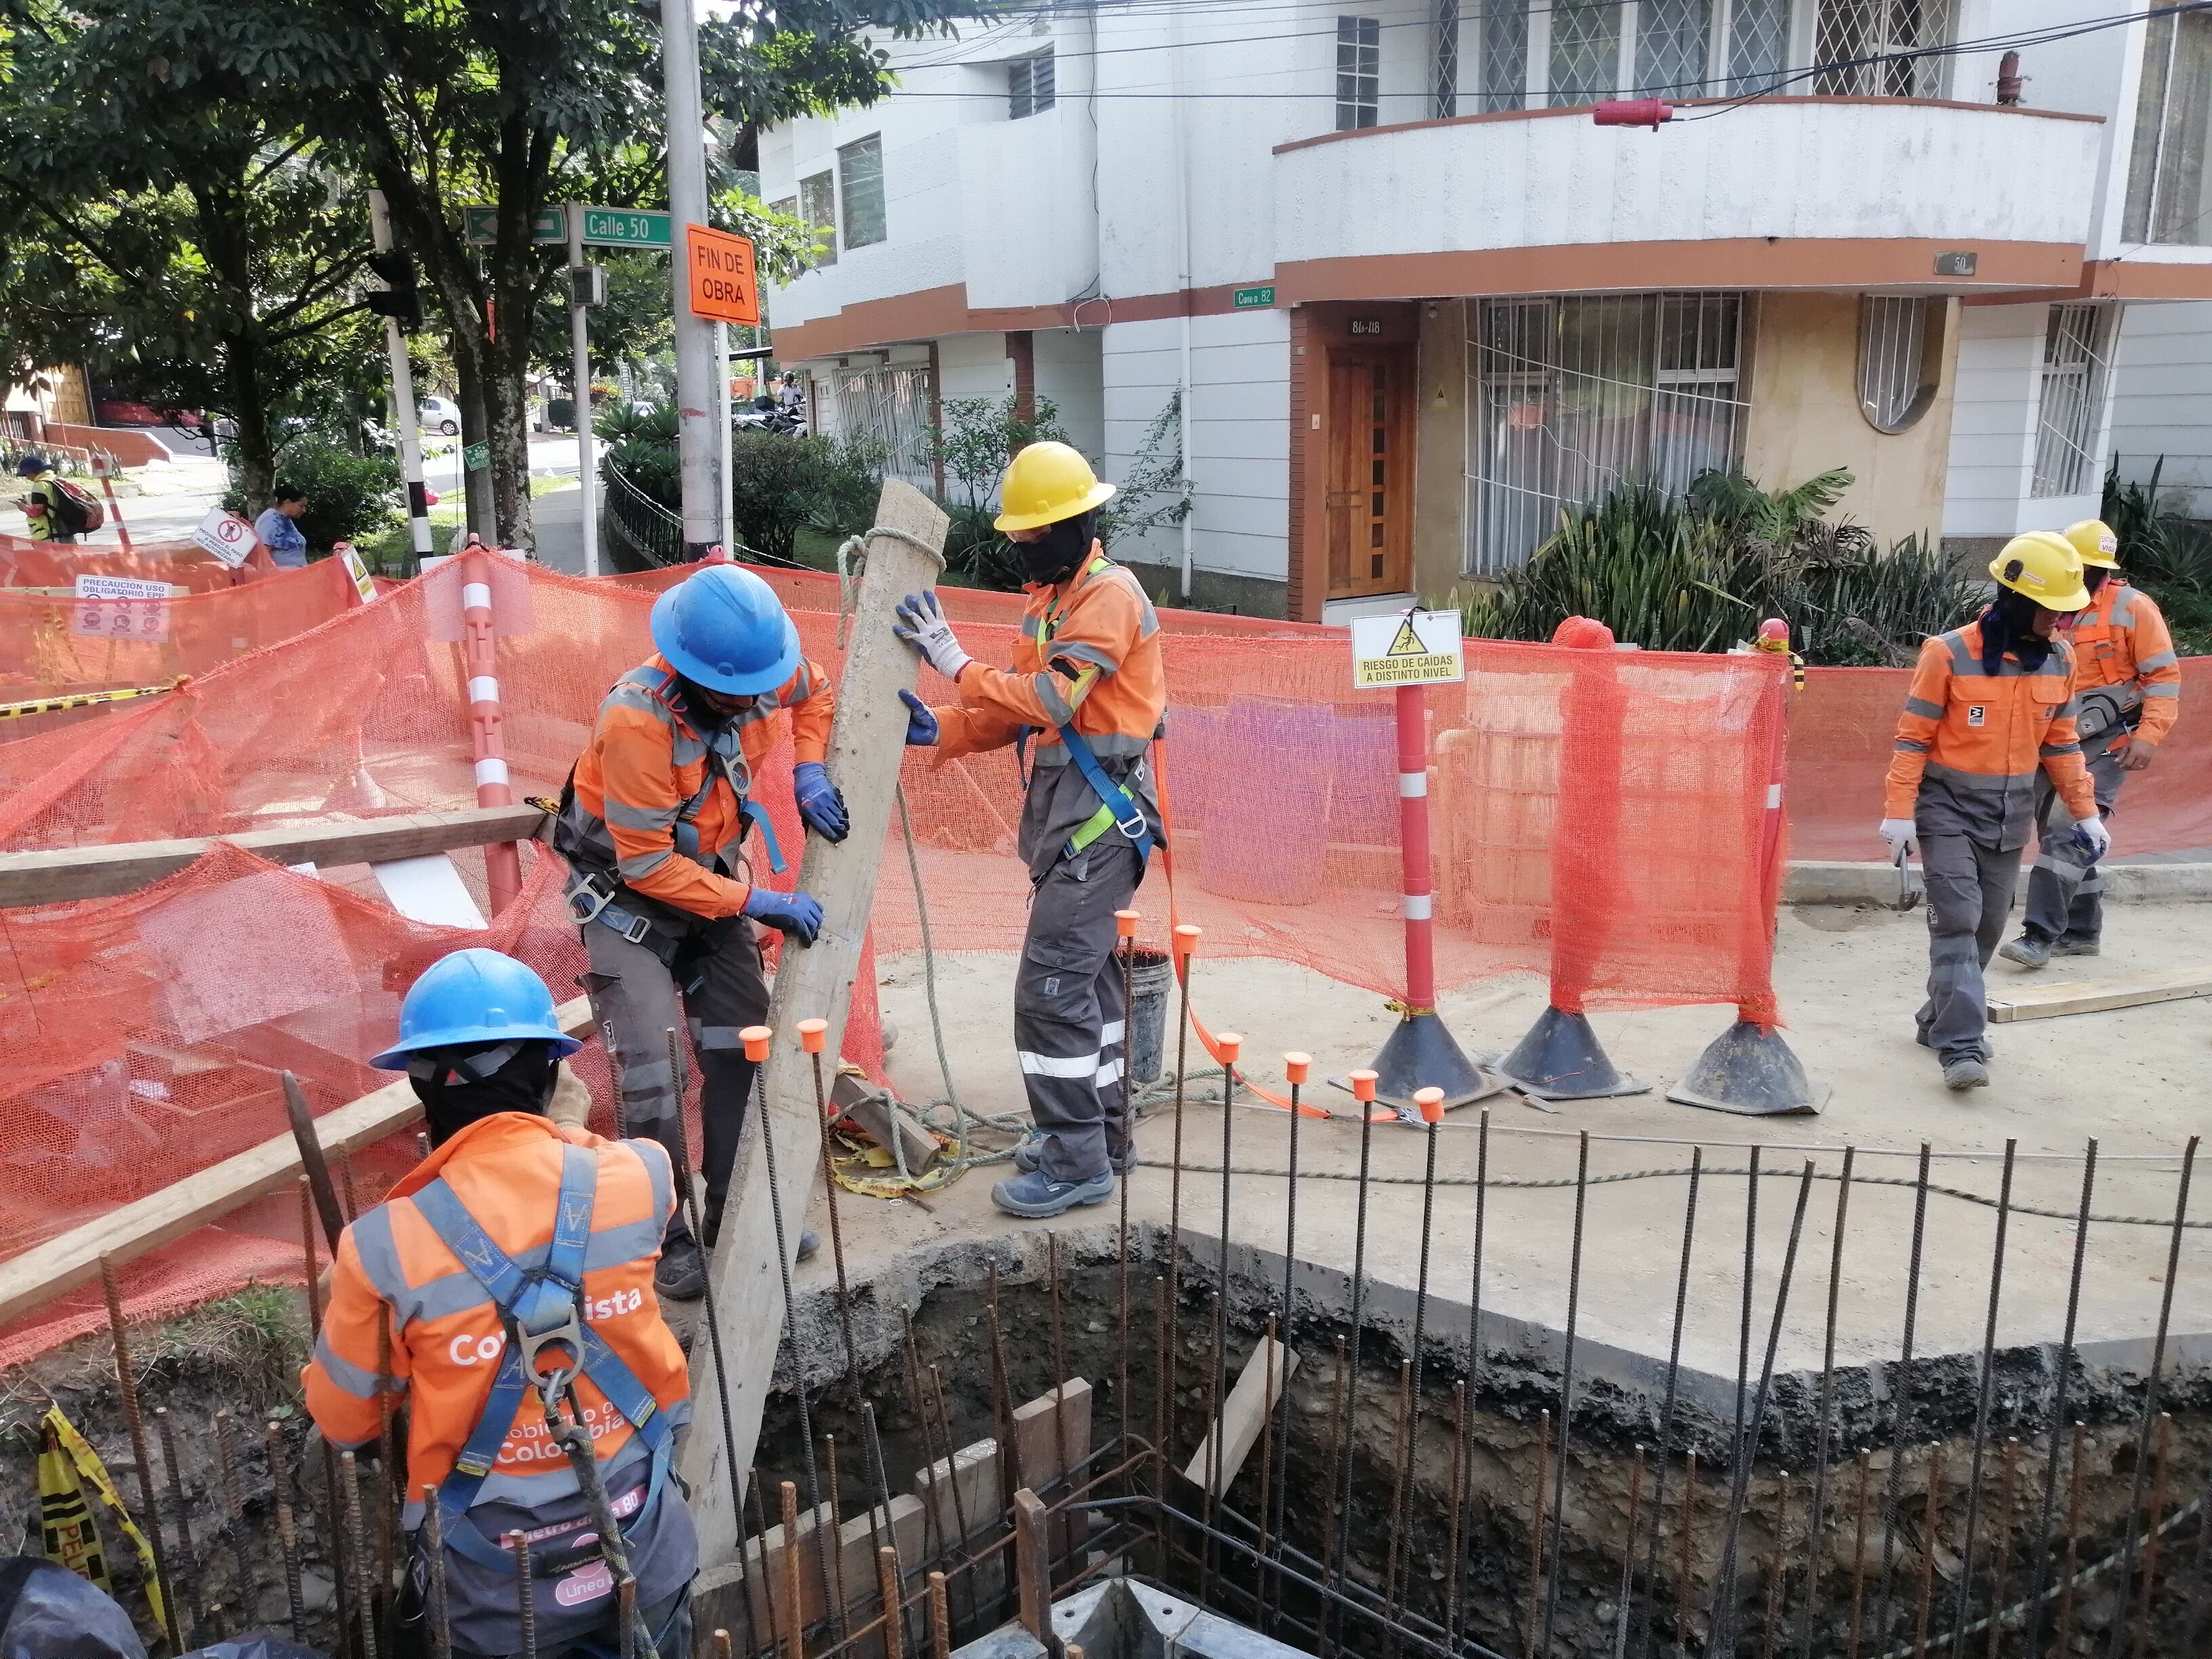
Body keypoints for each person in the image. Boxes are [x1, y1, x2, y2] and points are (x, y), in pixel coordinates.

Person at [303, 949, 697, 1659]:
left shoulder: (383, 1247)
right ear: (551, 1074)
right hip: (641, 1541)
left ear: (422, 1092)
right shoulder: (643, 1174)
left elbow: (344, 1421)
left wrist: (353, 1304)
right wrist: (569, 1130)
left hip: (495, 1589)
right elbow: (569, 1190)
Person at [552, 562, 842, 1298]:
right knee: (652, 1068)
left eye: (758, 690)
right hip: (630, 902)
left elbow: (816, 693)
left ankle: (736, 1215)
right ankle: (665, 1238)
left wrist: (811, 771)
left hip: (710, 888)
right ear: (690, 671)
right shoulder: (637, 718)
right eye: (733, 695)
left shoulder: (755, 669)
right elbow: (647, 865)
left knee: (743, 1047)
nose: (751, 702)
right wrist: (755, 903)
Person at [895, 441, 1164, 1217]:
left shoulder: (1107, 598)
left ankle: (1078, 1162)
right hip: (1074, 828)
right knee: (1088, 990)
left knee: (1049, 997)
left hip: (1097, 832)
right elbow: (1018, 715)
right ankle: (1102, 1139)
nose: (1019, 547)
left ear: (1075, 524)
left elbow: (1050, 702)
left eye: (1030, 535)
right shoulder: (1054, 601)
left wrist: (952, 661)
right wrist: (943, 727)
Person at [1881, 531, 2105, 1091]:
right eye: (2054, 611)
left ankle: (1937, 1020)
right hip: (1946, 810)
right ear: (2020, 601)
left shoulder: (2059, 660)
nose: (2063, 622)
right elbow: (1912, 740)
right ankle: (1963, 1046)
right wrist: (1899, 812)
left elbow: (2062, 744)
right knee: (1957, 920)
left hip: (2010, 817)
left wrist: (2086, 812)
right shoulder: (1947, 653)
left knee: (1986, 927)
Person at [1999, 517, 2182, 968]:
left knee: (2068, 829)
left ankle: (2039, 934)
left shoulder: (2132, 608)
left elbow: (2162, 675)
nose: (2088, 576)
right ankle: (2081, 930)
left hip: (2108, 739)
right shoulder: (2045, 604)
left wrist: (2149, 736)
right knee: (2057, 828)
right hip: (2051, 732)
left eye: (2094, 569)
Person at [13, 456, 77, 543]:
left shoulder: (39, 486)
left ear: (33, 471)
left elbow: (35, 512)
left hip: (50, 535)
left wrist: (23, 508)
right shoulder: (57, 480)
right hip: (67, 531)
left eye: (26, 474)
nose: (27, 477)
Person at [253, 484, 310, 569]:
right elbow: (263, 556)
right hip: (282, 577)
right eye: (301, 506)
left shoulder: (285, 519)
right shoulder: (270, 520)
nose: (304, 510)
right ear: (287, 502)